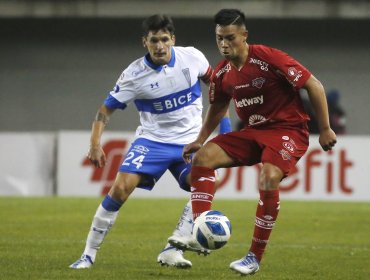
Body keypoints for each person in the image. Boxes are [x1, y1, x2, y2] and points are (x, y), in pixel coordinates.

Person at [179, 9, 337, 276]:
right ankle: (200, 229)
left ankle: (254, 257)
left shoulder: (267, 57)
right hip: (254, 132)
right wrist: (199, 140)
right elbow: (217, 108)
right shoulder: (221, 74)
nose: (224, 44)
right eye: (219, 38)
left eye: (230, 38)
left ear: (244, 35)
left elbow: (314, 85)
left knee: (268, 176)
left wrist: (324, 128)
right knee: (203, 158)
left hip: (289, 129)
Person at [69, 14, 231, 269]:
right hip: (152, 142)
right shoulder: (133, 75)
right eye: (153, 40)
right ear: (145, 42)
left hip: (190, 142)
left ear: (172, 39)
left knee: (207, 178)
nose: (159, 46)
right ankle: (88, 255)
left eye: (164, 39)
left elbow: (219, 93)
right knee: (120, 189)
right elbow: (105, 110)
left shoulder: (193, 57)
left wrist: (226, 131)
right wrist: (94, 144)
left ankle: (175, 246)